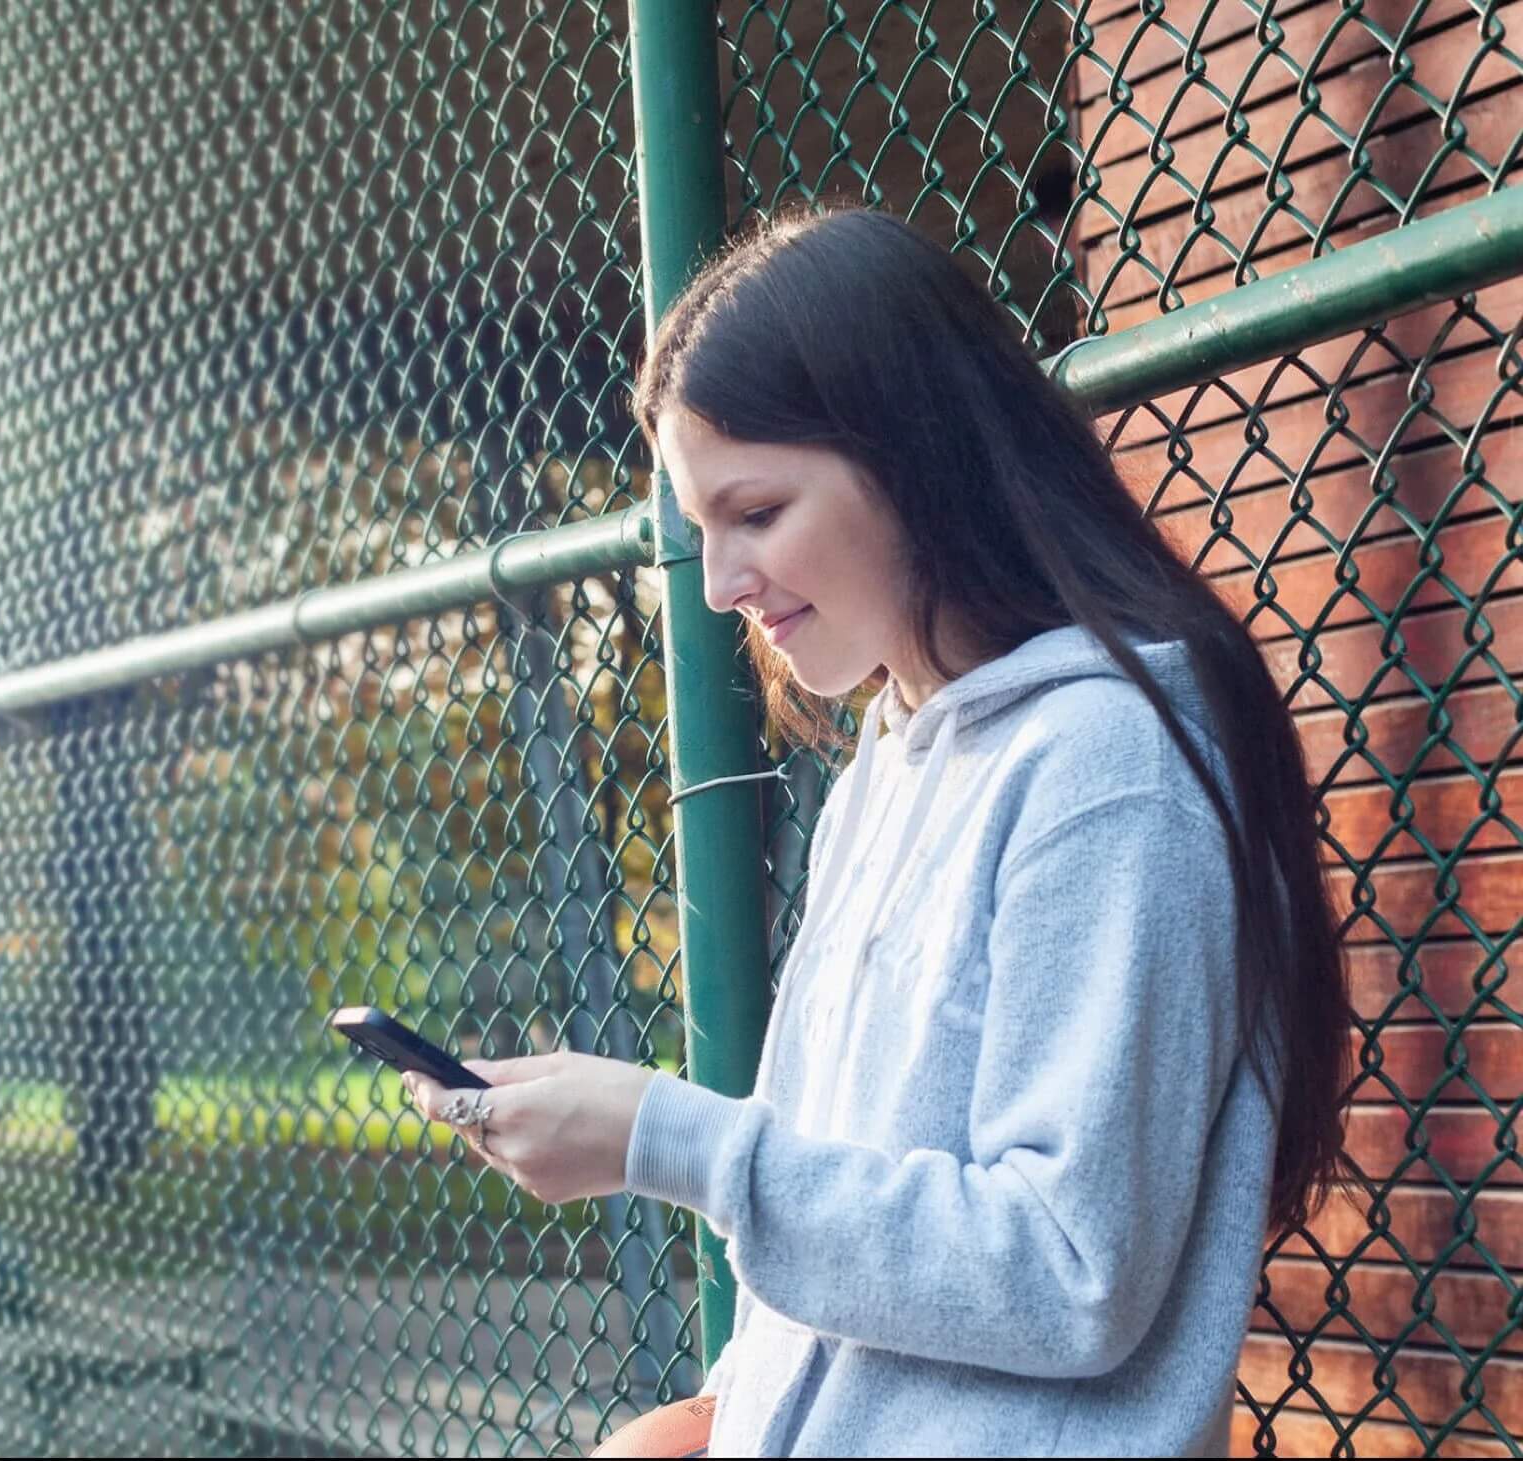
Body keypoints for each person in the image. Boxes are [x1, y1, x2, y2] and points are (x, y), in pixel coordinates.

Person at [403, 207, 1350, 1457]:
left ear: (914, 457)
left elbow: (1070, 1269)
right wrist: (719, 1414)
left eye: (756, 512)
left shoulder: (1107, 768)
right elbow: (861, 1194)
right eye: (700, 534)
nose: (722, 583)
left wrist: (664, 1140)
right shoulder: (886, 764)